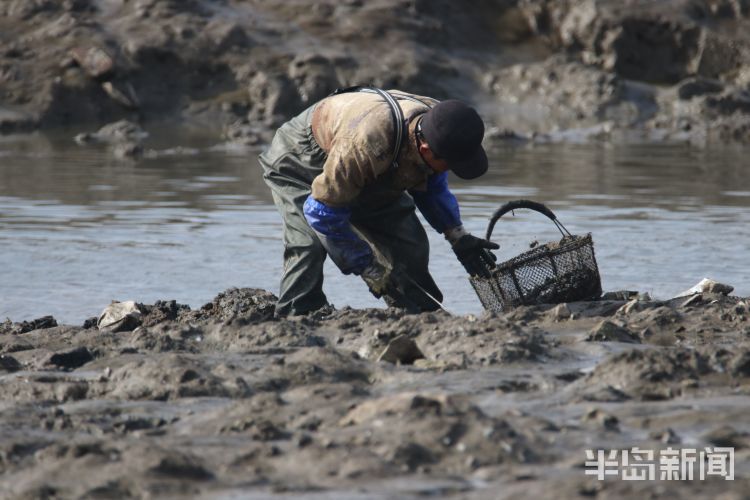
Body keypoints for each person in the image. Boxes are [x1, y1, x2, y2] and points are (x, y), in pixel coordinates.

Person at [259, 86, 498, 316]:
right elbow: (322, 211)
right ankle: (296, 314)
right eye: (450, 164)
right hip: (302, 159)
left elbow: (433, 188)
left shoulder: (441, 124)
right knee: (308, 246)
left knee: (410, 244)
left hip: (368, 161)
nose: (452, 170)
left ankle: (420, 312)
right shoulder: (367, 144)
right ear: (425, 149)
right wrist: (368, 267)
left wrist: (457, 236)